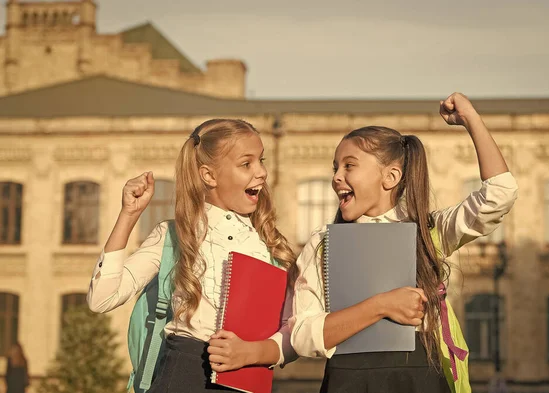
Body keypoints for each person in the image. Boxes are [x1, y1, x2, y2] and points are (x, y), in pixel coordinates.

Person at [290, 93, 519, 393]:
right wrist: (380, 306)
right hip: (348, 381)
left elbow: (498, 195)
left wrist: (471, 119)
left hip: (420, 378)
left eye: (349, 166)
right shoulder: (322, 244)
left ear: (391, 176)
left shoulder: (427, 233)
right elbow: (301, 335)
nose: (336, 177)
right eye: (335, 167)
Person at [87, 119, 298, 392]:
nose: (261, 173)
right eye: (247, 164)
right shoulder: (174, 236)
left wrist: (255, 352)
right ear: (209, 176)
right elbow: (101, 299)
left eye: (261, 160)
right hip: (183, 376)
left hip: (250, 378)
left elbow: (295, 333)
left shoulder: (270, 245)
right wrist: (129, 215)